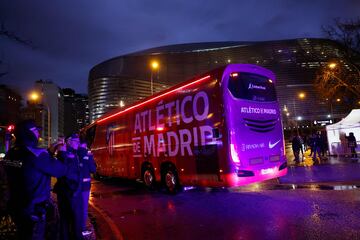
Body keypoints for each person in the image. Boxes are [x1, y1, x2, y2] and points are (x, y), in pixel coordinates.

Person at [3, 119, 78, 240]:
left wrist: (48, 152)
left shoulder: (11, 154)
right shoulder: (37, 155)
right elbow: (61, 170)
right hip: (34, 212)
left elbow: (30, 166)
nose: (38, 134)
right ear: (29, 133)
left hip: (17, 209)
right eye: (36, 131)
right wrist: (62, 153)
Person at [54, 133, 83, 240]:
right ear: (69, 142)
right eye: (76, 141)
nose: (78, 143)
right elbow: (68, 174)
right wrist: (74, 191)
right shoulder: (66, 153)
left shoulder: (72, 153)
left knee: (67, 220)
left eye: (79, 141)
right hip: (70, 192)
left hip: (70, 191)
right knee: (73, 219)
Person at [77, 136, 96, 236]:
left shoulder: (74, 153)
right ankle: (82, 230)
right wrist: (91, 158)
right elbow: (93, 169)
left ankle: (76, 229)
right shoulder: (87, 154)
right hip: (85, 186)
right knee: (83, 208)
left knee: (76, 208)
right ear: (85, 145)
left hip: (75, 186)